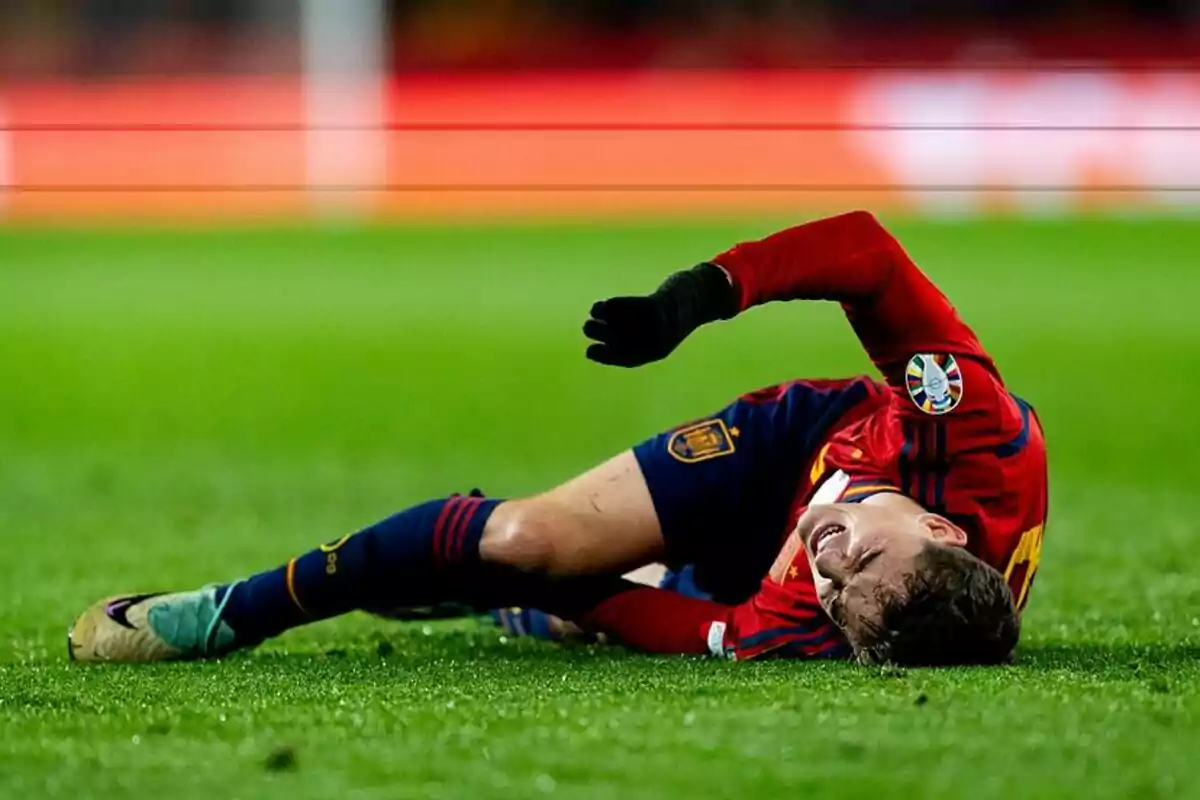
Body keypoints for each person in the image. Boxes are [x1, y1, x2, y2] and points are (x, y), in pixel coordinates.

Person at [68, 211, 1047, 667]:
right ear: (949, 530)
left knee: (544, 571)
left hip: (741, 578)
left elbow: (690, 623)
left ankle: (483, 593)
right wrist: (700, 296)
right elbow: (870, 254)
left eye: (837, 590)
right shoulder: (966, 424)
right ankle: (223, 613)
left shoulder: (804, 624)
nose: (829, 557)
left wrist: (540, 588)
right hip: (791, 444)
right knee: (534, 533)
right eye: (862, 551)